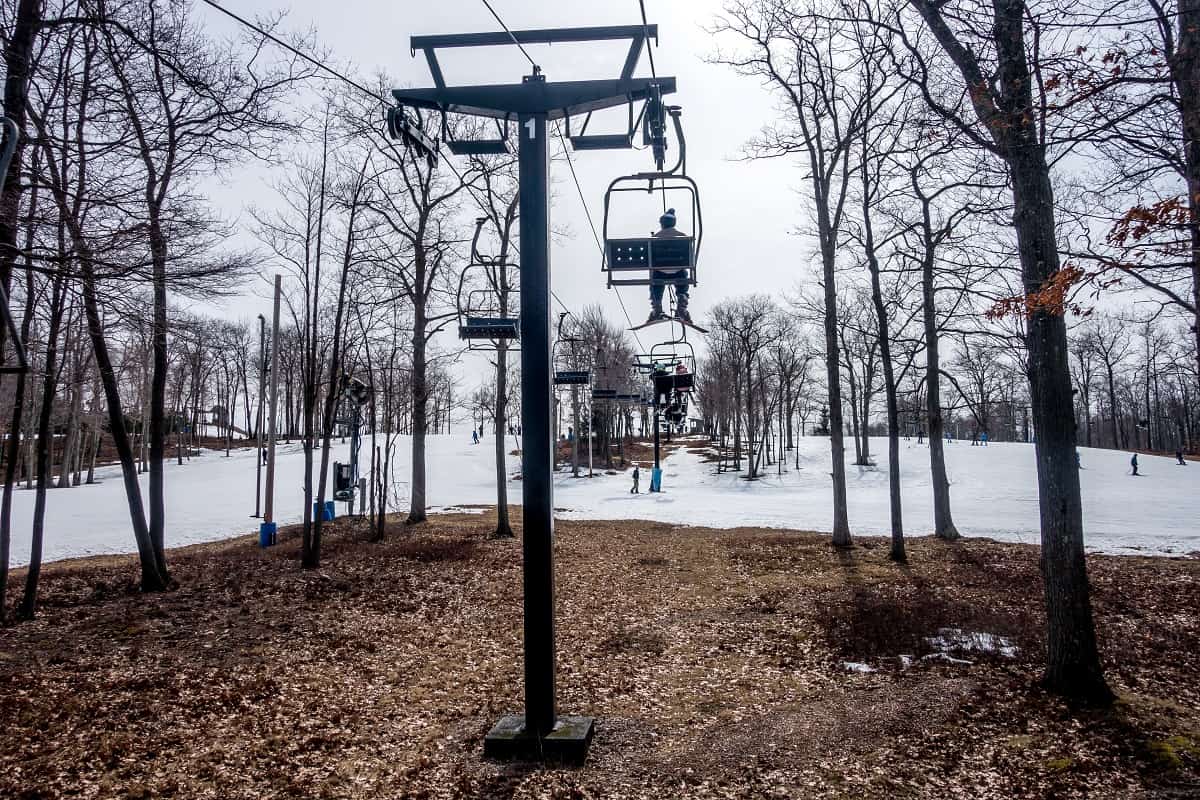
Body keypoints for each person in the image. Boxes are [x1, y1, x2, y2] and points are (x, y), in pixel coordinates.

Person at [648, 208, 692, 324]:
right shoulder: (683, 237)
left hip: (660, 272)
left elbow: (650, 260)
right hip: (678, 272)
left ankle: (657, 306)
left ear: (662, 224)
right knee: (683, 273)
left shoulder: (654, 238)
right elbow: (689, 258)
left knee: (655, 277)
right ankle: (682, 304)